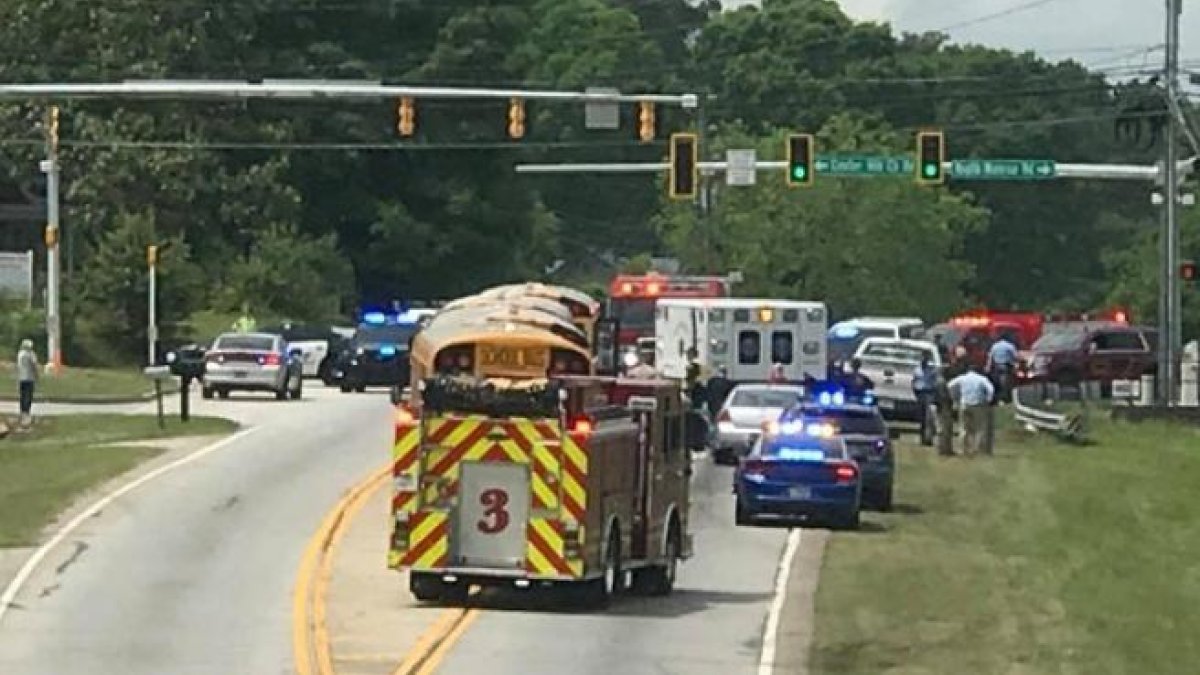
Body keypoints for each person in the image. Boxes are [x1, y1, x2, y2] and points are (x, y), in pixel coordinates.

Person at [947, 364, 996, 456]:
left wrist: (954, 398)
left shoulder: (962, 378)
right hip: (978, 405)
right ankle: (977, 449)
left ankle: (963, 449)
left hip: (964, 404)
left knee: (963, 428)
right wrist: (988, 399)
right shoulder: (982, 379)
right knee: (979, 428)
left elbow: (950, 385)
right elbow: (991, 389)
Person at [911, 353, 938, 445]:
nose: (924, 361)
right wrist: (915, 392)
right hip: (920, 394)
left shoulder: (931, 370)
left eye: (925, 359)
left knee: (929, 418)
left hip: (928, 393)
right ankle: (922, 438)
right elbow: (913, 381)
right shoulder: (916, 370)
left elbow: (934, 383)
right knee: (921, 418)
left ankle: (928, 438)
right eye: (922, 359)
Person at [985, 335, 1018, 404]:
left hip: (996, 367)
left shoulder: (995, 346)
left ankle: (998, 399)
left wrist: (988, 367)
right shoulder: (1010, 346)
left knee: (997, 384)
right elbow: (1015, 357)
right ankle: (1005, 399)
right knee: (1006, 384)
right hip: (1006, 366)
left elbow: (990, 357)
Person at [16, 339, 39, 428]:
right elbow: (34, 366)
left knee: (22, 395)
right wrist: (37, 375)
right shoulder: (31, 354)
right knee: (28, 395)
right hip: (29, 378)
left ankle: (22, 412)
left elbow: (18, 366)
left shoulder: (20, 354)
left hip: (21, 378)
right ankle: (27, 412)